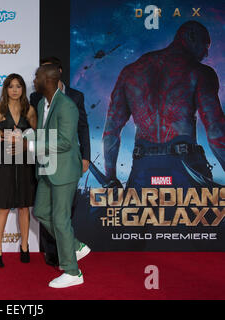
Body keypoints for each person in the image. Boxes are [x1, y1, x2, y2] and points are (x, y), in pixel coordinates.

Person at [103, 21, 225, 189]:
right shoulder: (199, 72)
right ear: (191, 37)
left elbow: (111, 131)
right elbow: (216, 131)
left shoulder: (130, 72)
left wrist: (111, 178)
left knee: (140, 215)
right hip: (185, 169)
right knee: (201, 215)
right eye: (205, 45)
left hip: (142, 168)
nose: (206, 53)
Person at [30, 56, 91, 267]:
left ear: (49, 80)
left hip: (64, 168)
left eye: (37, 76)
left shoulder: (67, 105)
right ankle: (75, 246)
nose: (34, 80)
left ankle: (72, 272)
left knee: (61, 219)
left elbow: (65, 141)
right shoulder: (41, 104)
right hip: (47, 167)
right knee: (40, 212)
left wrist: (29, 146)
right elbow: (42, 135)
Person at [0, 73, 37, 267]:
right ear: (5, 89)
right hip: (3, 160)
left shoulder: (29, 110)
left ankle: (24, 246)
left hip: (24, 161)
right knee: (3, 206)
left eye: (18, 86)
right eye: (11, 86)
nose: (14, 90)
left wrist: (24, 142)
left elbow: (36, 137)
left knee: (23, 206)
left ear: (23, 89)